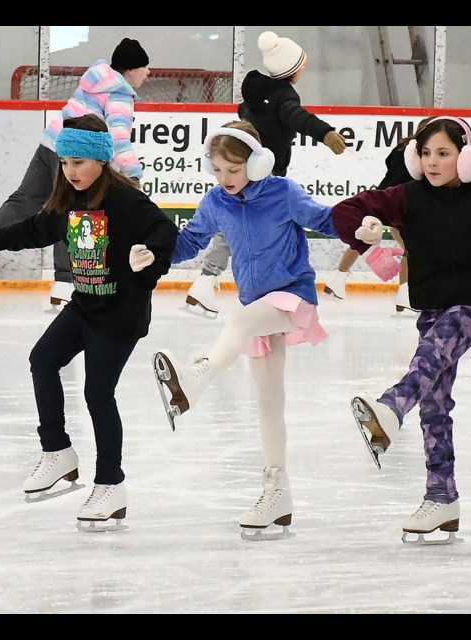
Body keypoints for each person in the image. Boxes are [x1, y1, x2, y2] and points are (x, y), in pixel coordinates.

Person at [330, 116, 471, 544]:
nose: (433, 162)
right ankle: (441, 498)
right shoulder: (407, 197)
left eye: (444, 154)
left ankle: (391, 406)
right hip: (431, 306)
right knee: (434, 404)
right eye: (426, 154)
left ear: (467, 158)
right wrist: (365, 233)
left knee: (428, 358)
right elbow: (346, 211)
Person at [0, 114, 178, 532]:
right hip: (84, 305)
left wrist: (150, 258)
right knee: (43, 359)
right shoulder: (71, 200)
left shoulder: (126, 201)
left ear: (100, 161)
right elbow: (35, 228)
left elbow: (165, 231)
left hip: (120, 315)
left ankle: (111, 484)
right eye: (64, 162)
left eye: (78, 163)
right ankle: (58, 453)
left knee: (97, 393)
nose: (70, 171)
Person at [151, 120, 334, 541]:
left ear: (256, 162)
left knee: (237, 321)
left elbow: (324, 220)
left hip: (293, 296)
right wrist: (152, 255)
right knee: (269, 402)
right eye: (217, 169)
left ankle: (195, 378)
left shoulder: (283, 193)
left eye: (233, 169)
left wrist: (363, 228)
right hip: (257, 306)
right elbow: (189, 242)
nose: (225, 179)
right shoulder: (216, 201)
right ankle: (277, 493)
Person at [0, 38, 151, 308]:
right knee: (72, 209)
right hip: (74, 155)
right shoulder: (118, 94)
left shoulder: (93, 82)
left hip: (50, 143)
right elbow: (119, 139)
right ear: (131, 69)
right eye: (145, 67)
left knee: (24, 199)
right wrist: (132, 173)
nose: (148, 73)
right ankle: (64, 283)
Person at [184, 30, 346, 314]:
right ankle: (209, 281)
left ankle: (206, 282)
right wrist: (325, 133)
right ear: (291, 71)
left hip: (255, 173)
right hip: (263, 175)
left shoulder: (254, 99)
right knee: (247, 229)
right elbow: (298, 117)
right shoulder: (284, 97)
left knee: (235, 228)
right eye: (301, 67)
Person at [321, 116, 435, 312]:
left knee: (365, 238)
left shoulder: (402, 148)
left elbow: (389, 164)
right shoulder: (423, 154)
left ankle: (337, 279)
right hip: (401, 203)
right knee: (410, 248)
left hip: (381, 197)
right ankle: (405, 295)